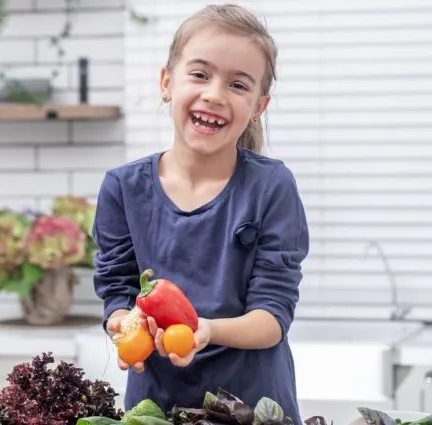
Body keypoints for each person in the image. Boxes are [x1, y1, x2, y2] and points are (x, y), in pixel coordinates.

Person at [92, 3, 309, 425]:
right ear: (166, 82)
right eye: (199, 74)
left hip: (255, 404)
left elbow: (272, 317)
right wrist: (126, 326)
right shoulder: (122, 188)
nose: (214, 94)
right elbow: (116, 296)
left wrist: (205, 329)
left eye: (238, 84)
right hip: (155, 407)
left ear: (259, 106)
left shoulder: (271, 187)